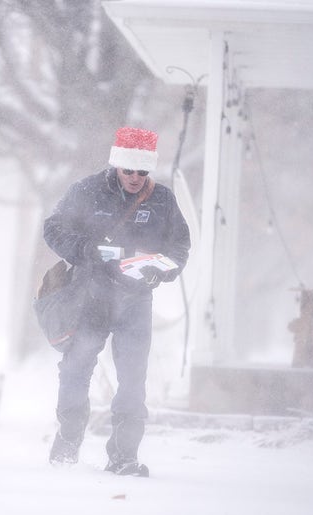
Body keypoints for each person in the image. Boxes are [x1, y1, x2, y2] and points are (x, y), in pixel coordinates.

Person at [42, 126, 191, 477]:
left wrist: (162, 271)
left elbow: (180, 246)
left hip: (136, 301)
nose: (136, 178)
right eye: (129, 171)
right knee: (76, 370)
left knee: (133, 380)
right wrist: (85, 251)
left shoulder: (163, 199)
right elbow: (53, 228)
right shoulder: (87, 191)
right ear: (116, 166)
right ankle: (68, 440)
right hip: (90, 297)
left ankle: (124, 457)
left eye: (143, 172)